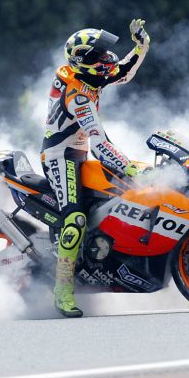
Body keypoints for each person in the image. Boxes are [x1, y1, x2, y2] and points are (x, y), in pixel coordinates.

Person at [41, 21, 150, 318]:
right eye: (99, 55)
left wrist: (141, 46)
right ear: (84, 61)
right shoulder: (78, 94)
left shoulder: (88, 77)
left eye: (105, 53)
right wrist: (128, 166)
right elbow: (100, 146)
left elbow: (123, 73)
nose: (106, 59)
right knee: (75, 217)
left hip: (79, 153)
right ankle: (62, 291)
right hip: (59, 156)